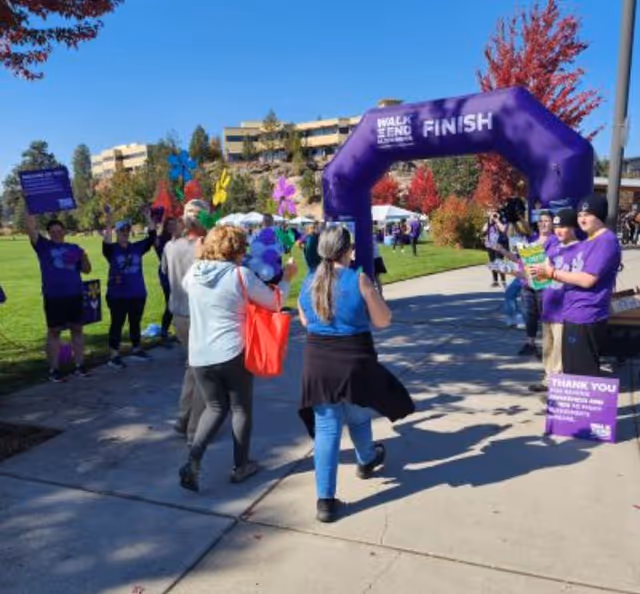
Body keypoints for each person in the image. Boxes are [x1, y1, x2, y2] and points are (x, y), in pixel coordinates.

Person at [297, 226, 414, 523]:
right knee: (358, 412)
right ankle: (365, 459)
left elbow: (304, 318)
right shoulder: (358, 278)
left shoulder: (310, 281)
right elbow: (384, 320)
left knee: (327, 428)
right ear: (347, 250)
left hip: (318, 360)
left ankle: (325, 500)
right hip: (354, 359)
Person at [178, 225, 298, 492]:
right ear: (237, 249)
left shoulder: (194, 274)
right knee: (240, 409)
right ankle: (240, 465)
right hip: (233, 352)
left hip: (199, 356)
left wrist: (200, 256)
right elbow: (274, 301)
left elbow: (191, 281)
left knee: (215, 408)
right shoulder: (240, 275)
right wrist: (287, 277)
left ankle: (193, 460)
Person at [530, 194, 621, 377]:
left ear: (600, 215)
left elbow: (588, 279)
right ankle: (565, 404)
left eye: (588, 214)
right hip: (572, 312)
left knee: (582, 371)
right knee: (571, 370)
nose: (582, 218)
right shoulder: (591, 240)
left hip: (587, 314)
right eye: (579, 214)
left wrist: (553, 273)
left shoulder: (605, 241)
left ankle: (579, 405)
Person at [162, 199, 211, 444]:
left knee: (192, 368)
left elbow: (165, 272)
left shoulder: (171, 247)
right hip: (199, 315)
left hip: (178, 313)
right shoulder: (205, 247)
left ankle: (183, 419)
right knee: (203, 372)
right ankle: (195, 430)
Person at [26, 214, 92, 382]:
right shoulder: (43, 246)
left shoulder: (74, 247)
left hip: (74, 295)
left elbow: (86, 270)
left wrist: (84, 256)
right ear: (48, 233)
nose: (56, 233)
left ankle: (79, 366)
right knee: (54, 332)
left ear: (64, 231)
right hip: (54, 296)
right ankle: (54, 370)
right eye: (53, 231)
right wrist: (30, 206)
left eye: (59, 230)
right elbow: (31, 230)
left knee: (77, 329)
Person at [529, 208, 581, 393]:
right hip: (549, 305)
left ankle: (557, 386)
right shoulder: (556, 248)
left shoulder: (580, 249)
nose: (558, 230)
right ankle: (547, 379)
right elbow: (542, 276)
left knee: (559, 350)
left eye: (563, 226)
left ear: (573, 226)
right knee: (548, 348)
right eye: (557, 226)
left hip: (564, 308)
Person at [102, 206, 156, 369]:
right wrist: (109, 218)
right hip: (117, 295)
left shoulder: (137, 248)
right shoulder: (111, 250)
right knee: (117, 324)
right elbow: (106, 238)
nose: (124, 233)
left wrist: (148, 217)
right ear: (117, 233)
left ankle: (136, 348)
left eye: (127, 230)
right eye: (121, 230)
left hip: (137, 292)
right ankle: (114, 355)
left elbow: (152, 237)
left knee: (135, 322)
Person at [155, 217, 178, 343]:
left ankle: (178, 329)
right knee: (170, 303)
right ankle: (164, 332)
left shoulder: (180, 239)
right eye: (170, 225)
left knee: (179, 302)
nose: (172, 227)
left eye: (174, 225)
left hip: (179, 273)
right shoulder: (162, 240)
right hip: (166, 274)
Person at [481, 210, 507, 287]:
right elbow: (483, 231)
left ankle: (503, 280)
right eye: (492, 214)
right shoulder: (488, 223)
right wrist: (490, 221)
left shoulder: (500, 222)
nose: (493, 215)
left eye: (495, 214)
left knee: (499, 262)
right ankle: (495, 281)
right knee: (492, 262)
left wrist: (497, 220)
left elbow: (503, 230)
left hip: (499, 245)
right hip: (490, 245)